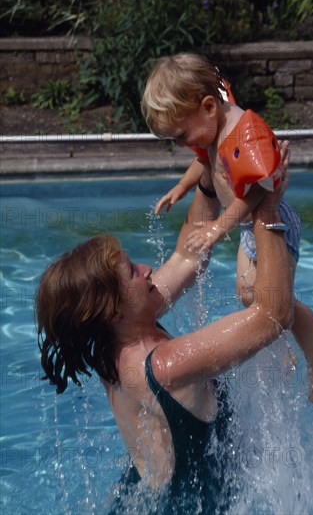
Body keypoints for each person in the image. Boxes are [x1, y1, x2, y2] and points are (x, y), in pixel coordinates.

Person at [36, 157, 293, 514]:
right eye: (132, 271)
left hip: (139, 497)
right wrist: (267, 205)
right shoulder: (165, 366)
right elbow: (273, 314)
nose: (147, 269)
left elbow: (189, 255)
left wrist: (206, 167)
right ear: (112, 312)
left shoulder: (111, 343)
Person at [141, 52, 313, 403]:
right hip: (250, 230)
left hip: (275, 224)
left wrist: (218, 226)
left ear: (207, 107)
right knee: (250, 297)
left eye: (182, 135)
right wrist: (183, 187)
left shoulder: (244, 134)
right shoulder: (212, 129)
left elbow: (260, 191)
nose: (183, 145)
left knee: (275, 301)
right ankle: (283, 344)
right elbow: (204, 162)